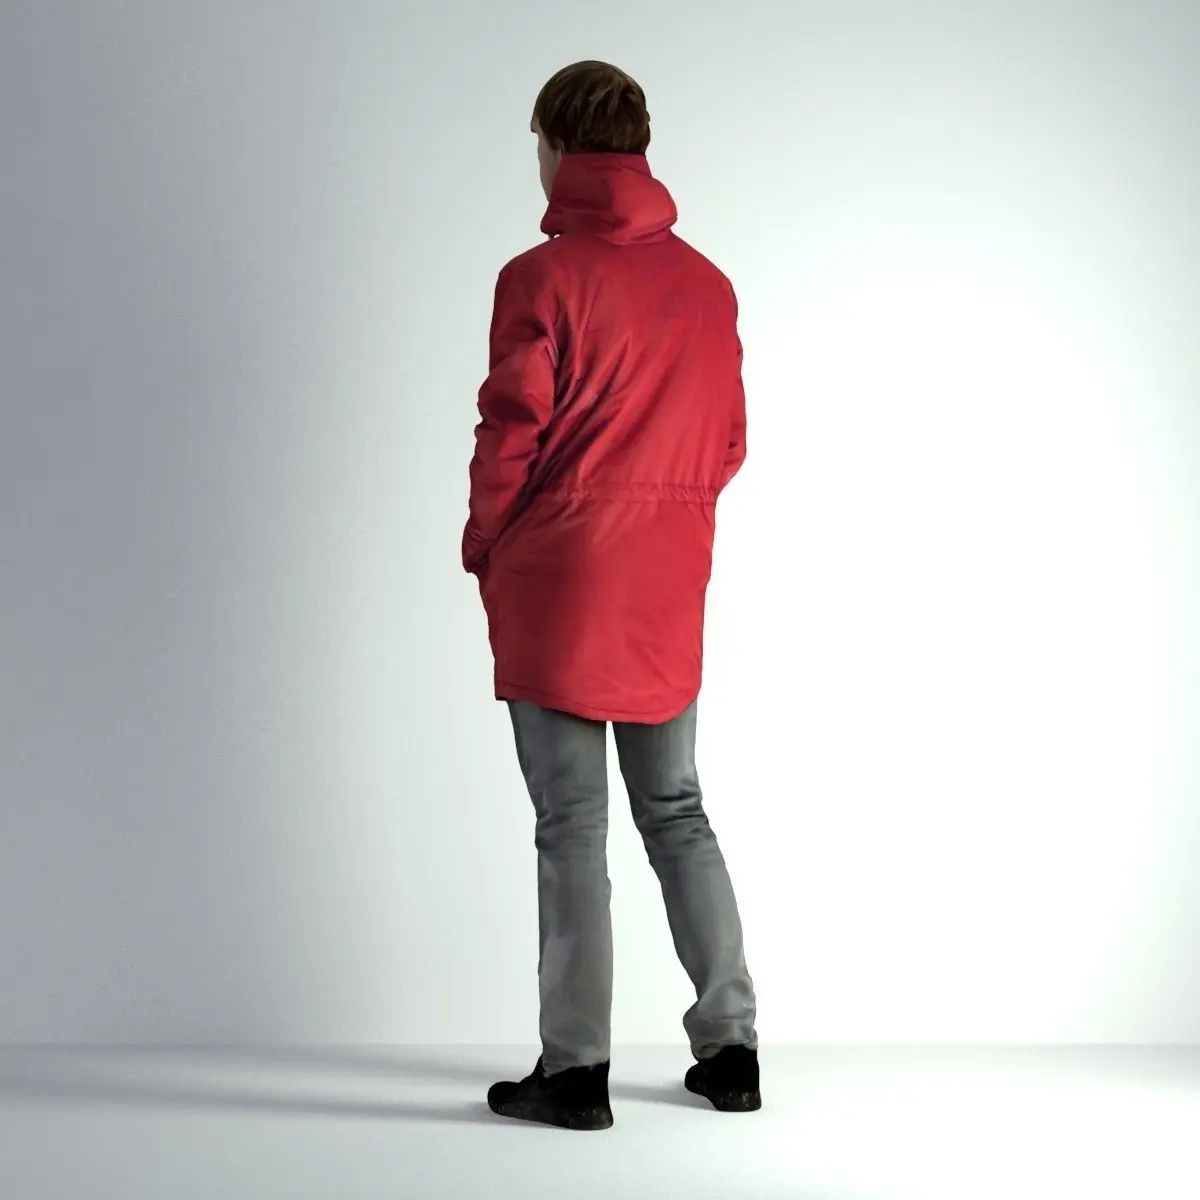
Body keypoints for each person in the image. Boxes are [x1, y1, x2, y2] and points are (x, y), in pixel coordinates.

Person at [462, 60, 759, 1132]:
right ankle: (732, 1051)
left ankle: (576, 1070)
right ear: (639, 147)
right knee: (676, 809)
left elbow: (511, 432)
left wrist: (486, 542)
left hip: (561, 576)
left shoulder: (539, 280)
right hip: (665, 578)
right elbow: (728, 442)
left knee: (572, 823)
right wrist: (666, 518)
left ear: (555, 144)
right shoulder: (708, 284)